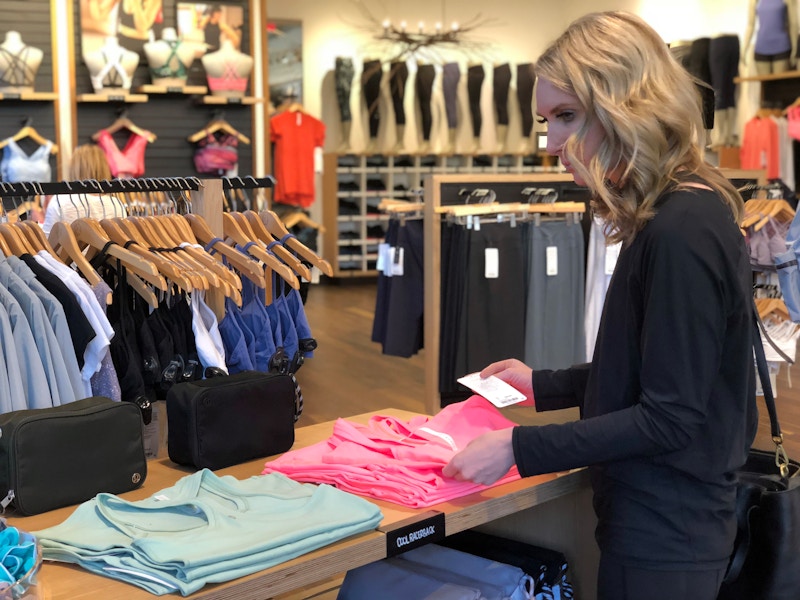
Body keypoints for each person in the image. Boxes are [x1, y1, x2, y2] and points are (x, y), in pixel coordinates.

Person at [443, 11, 757, 600]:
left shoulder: (681, 228)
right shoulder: (673, 213)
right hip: (660, 520)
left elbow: (669, 416)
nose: (552, 143)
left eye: (567, 116)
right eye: (545, 120)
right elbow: (654, 368)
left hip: (668, 534)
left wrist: (517, 446)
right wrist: (545, 384)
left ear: (627, 105)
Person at [42, 144, 127, 236]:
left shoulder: (59, 200)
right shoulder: (116, 204)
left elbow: (48, 242)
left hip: (67, 250)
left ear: (75, 168)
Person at [742, 0, 797, 75]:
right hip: (761, 48)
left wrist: (795, 48)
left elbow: (793, 24)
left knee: (780, 85)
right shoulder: (754, 1)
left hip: (782, 47)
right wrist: (744, 49)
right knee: (765, 85)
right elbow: (750, 25)